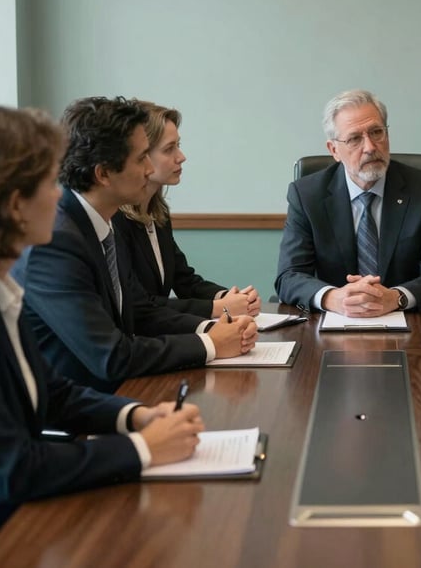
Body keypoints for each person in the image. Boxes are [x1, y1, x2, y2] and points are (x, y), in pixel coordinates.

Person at [0, 106, 205, 539]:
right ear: (14, 206)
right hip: (9, 529)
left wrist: (135, 415)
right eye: (49, 182)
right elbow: (12, 471)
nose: (59, 193)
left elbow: (55, 391)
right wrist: (142, 448)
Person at [13, 97, 257, 393]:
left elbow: (140, 312)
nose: (148, 169)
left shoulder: (101, 223)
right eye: (141, 157)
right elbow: (110, 355)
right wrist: (210, 343)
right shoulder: (56, 242)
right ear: (103, 173)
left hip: (115, 392)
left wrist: (214, 330)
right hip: (79, 409)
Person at [275, 89, 421, 317]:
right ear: (334, 150)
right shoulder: (306, 195)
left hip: (408, 324)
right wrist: (333, 298)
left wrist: (396, 297)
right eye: (354, 139)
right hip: (331, 325)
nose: (370, 147)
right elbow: (288, 276)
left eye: (376, 132)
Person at [114, 100, 260, 320]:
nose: (181, 157)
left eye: (178, 145)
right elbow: (139, 303)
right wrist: (218, 309)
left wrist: (229, 297)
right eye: (169, 149)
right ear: (142, 155)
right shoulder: (114, 220)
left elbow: (184, 281)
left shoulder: (158, 214)